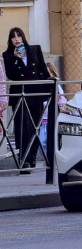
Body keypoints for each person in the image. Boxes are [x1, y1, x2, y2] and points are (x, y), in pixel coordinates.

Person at [2, 28, 52, 169]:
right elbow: (11, 75)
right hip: (20, 95)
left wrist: (50, 84)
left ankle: (32, 157)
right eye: (13, 37)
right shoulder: (8, 55)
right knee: (23, 128)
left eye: (19, 36)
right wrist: (17, 59)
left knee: (36, 126)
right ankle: (24, 159)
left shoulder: (34, 50)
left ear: (23, 37)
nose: (16, 39)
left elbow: (42, 69)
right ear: (10, 40)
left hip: (35, 94)